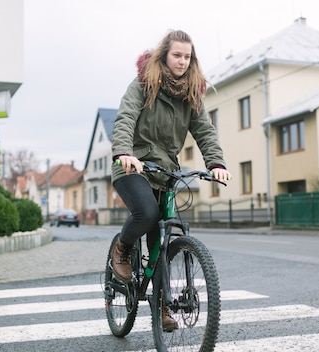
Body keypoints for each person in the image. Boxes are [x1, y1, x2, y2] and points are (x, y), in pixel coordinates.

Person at [110, 29, 232, 331]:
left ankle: (162, 306)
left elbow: (205, 131)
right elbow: (125, 118)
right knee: (147, 214)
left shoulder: (192, 94)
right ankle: (122, 249)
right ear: (165, 54)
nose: (182, 61)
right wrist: (125, 152)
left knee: (163, 238)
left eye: (187, 56)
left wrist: (216, 162)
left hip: (165, 173)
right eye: (177, 55)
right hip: (132, 168)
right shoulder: (143, 84)